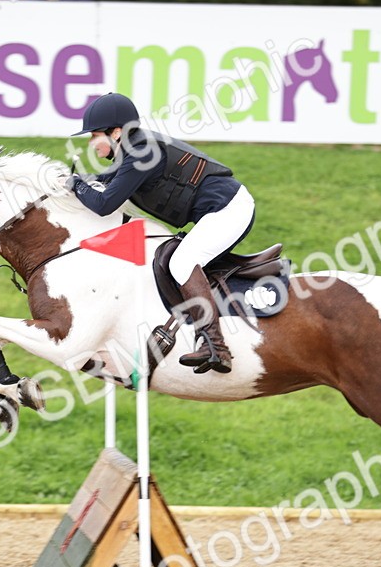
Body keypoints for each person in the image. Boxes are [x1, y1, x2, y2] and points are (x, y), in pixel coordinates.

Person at [64, 93, 255, 375]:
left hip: (230, 210)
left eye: (94, 135)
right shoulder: (134, 149)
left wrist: (76, 185)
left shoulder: (141, 153)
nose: (91, 143)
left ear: (116, 132)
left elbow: (104, 204)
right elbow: (104, 181)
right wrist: (76, 183)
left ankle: (216, 346)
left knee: (182, 262)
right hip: (220, 210)